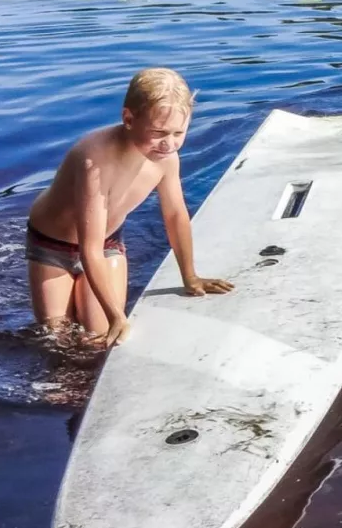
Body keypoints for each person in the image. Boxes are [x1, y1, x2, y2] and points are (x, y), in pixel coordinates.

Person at [26, 68, 231, 346]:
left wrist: (190, 276)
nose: (169, 143)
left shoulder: (166, 158)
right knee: (57, 338)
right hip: (51, 245)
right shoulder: (95, 159)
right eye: (158, 132)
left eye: (178, 132)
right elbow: (88, 247)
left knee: (97, 338)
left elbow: (175, 215)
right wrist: (117, 315)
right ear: (128, 119)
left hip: (107, 242)